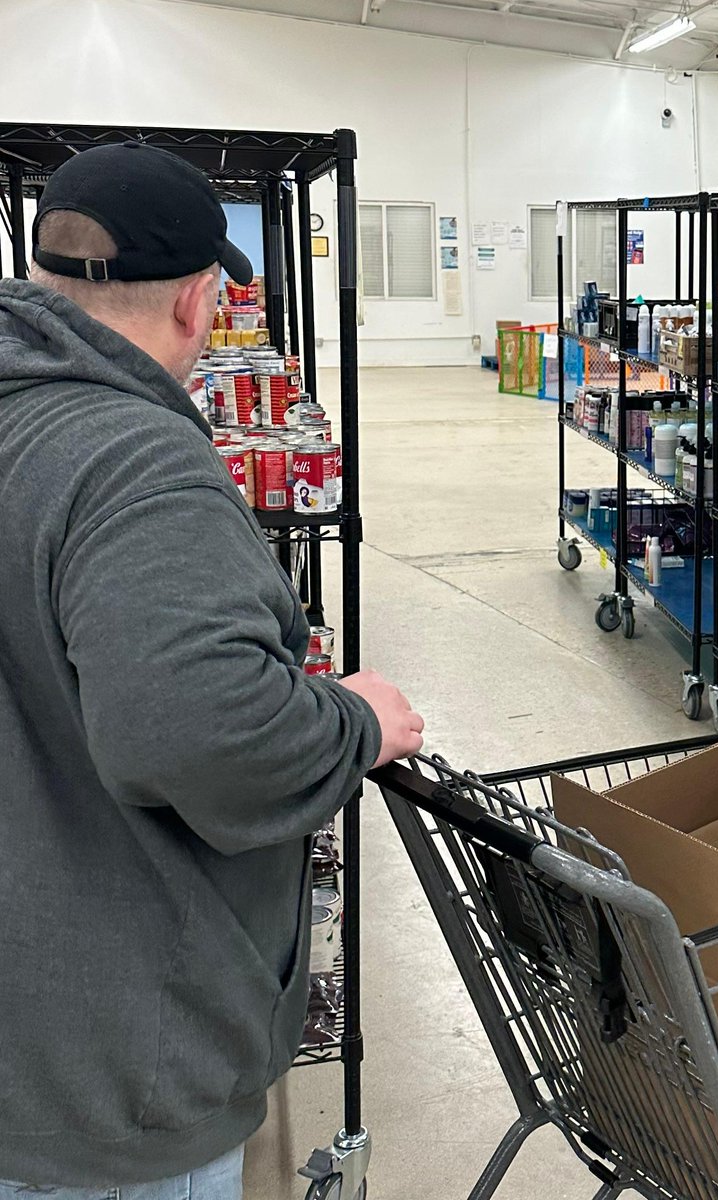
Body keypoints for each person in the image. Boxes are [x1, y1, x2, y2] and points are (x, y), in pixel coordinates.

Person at [0, 142, 424, 1198]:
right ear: (198, 303)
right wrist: (352, 722)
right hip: (111, 1080)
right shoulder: (133, 458)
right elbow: (201, 729)